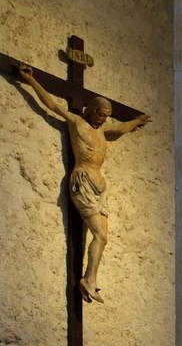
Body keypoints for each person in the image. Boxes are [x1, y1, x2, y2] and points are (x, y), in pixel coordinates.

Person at [15, 66, 150, 303]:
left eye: (106, 115)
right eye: (100, 114)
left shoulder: (104, 129)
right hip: (83, 180)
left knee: (103, 237)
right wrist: (30, 80)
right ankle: (89, 280)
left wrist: (137, 120)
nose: (103, 118)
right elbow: (52, 105)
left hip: (100, 185)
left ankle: (91, 279)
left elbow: (121, 128)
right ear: (90, 110)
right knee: (98, 233)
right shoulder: (77, 122)